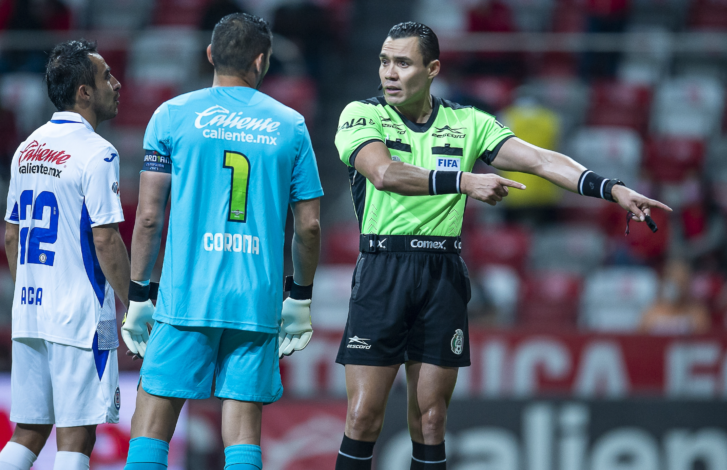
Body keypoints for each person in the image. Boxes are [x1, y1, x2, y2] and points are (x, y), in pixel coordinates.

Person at [332, 21, 671, 470]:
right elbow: (383, 173)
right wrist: (465, 180)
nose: (390, 73)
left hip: (441, 275)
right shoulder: (363, 114)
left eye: (403, 63)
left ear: (432, 68)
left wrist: (611, 188)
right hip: (383, 269)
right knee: (363, 417)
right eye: (384, 61)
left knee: (431, 420)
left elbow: (541, 160)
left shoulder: (467, 123)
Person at [120, 13, 323, 470]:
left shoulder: (171, 115)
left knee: (153, 421)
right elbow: (308, 225)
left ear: (210, 54)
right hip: (255, 299)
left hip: (186, 294)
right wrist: (301, 297)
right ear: (262, 60)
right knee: (243, 432)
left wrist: (137, 296)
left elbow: (149, 216)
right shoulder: (290, 124)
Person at [0, 39, 129, 470]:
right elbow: (106, 240)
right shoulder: (97, 152)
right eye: (106, 75)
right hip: (79, 315)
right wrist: (135, 304)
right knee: (76, 437)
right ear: (84, 92)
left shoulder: (26, 148)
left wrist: (32, 294)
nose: (117, 82)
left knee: (29, 432)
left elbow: (11, 238)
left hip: (30, 311)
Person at [640, 259, 711, 335]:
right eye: (675, 281)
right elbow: (641, 341)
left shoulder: (698, 315)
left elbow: (704, 340)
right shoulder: (651, 314)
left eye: (682, 282)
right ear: (665, 283)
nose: (679, 287)